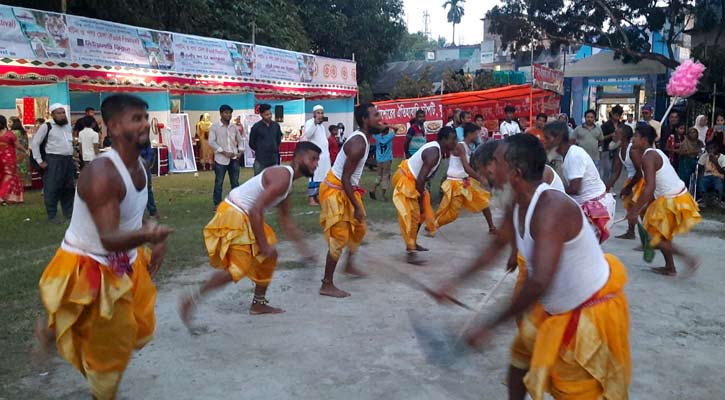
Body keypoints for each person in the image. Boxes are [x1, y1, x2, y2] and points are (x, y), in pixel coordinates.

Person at [434, 133, 631, 400]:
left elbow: (539, 282)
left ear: (515, 173)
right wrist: (454, 283)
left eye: (497, 162)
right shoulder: (518, 203)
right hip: (551, 309)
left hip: (588, 315)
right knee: (519, 362)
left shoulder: (551, 209)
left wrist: (488, 326)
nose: (490, 169)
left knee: (573, 391)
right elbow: (494, 249)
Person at [35, 94, 174, 400]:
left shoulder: (140, 165)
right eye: (135, 118)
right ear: (112, 126)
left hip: (125, 259)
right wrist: (151, 235)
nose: (144, 124)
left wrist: (155, 240)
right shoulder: (101, 173)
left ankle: (52, 323)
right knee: (110, 351)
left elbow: (130, 221)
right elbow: (108, 238)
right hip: (87, 263)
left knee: (137, 329)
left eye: (144, 117)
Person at [179, 142, 320, 323]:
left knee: (270, 255)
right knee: (238, 268)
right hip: (235, 213)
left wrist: (305, 250)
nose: (316, 164)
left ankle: (258, 304)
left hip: (245, 214)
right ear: (299, 158)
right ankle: (192, 299)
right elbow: (255, 210)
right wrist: (263, 245)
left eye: (318, 160)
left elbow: (286, 221)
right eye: (313, 159)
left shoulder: (287, 183)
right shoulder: (283, 177)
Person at [318, 103, 382, 298]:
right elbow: (345, 178)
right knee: (339, 237)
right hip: (335, 191)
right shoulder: (359, 143)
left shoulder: (363, 137)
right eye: (375, 115)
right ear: (364, 119)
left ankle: (349, 265)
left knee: (359, 228)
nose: (380, 117)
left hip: (345, 188)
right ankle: (326, 284)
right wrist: (356, 206)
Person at [628, 124, 701, 276]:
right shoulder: (655, 152)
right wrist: (644, 208)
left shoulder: (648, 157)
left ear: (644, 140)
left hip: (672, 199)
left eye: (636, 136)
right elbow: (655, 187)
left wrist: (634, 211)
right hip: (673, 196)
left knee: (656, 238)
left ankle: (688, 259)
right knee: (661, 236)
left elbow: (649, 187)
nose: (633, 139)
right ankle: (670, 267)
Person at [392, 126, 458, 264]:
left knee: (421, 215)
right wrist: (421, 200)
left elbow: (423, 178)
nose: (455, 142)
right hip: (407, 181)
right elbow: (421, 179)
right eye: (453, 139)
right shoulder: (434, 152)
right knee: (414, 216)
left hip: (414, 181)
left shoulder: (438, 151)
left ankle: (413, 244)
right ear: (444, 139)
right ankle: (410, 252)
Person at [544, 121, 616, 243]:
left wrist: (550, 191)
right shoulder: (569, 154)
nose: (545, 142)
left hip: (594, 210)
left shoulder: (574, 155)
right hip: (590, 207)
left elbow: (574, 189)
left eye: (547, 138)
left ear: (558, 138)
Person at [434, 123, 496, 234]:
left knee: (483, 201)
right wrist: (480, 179)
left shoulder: (468, 146)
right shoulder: (460, 146)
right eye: (476, 133)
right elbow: (467, 168)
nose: (478, 136)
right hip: (456, 182)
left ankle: (492, 228)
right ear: (470, 134)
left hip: (464, 181)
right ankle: (433, 225)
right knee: (452, 213)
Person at [31, 103, 75, 223]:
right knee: (52, 188)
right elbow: (35, 143)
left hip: (68, 160)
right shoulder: (47, 126)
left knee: (69, 188)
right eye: (58, 113)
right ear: (52, 114)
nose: (61, 115)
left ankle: (69, 213)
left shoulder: (67, 126)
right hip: (54, 160)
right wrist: (39, 161)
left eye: (63, 113)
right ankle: (52, 215)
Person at [605, 124, 642, 239]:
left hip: (641, 180)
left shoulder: (633, 150)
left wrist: (628, 187)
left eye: (616, 133)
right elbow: (616, 172)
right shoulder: (620, 151)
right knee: (629, 206)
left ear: (623, 137)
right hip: (632, 179)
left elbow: (640, 172)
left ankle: (648, 238)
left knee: (641, 209)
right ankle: (630, 232)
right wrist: (606, 188)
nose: (613, 135)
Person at [208, 104, 244, 209]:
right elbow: (211, 142)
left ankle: (236, 203)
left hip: (234, 159)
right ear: (221, 114)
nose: (228, 115)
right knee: (219, 182)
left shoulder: (234, 127)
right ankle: (217, 204)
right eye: (226, 113)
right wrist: (223, 152)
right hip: (221, 159)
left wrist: (240, 152)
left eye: (230, 113)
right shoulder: (215, 127)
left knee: (235, 182)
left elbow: (240, 140)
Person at [301, 105, 330, 206]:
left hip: (324, 157)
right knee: (314, 176)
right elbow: (308, 135)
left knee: (323, 177)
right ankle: (311, 199)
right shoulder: (310, 123)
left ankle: (318, 196)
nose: (320, 115)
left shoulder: (321, 126)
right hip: (315, 157)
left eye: (322, 113)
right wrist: (314, 123)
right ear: (314, 114)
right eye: (318, 113)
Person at [0, 116, 27, 204]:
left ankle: (4, 196)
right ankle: (7, 197)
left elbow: (17, 145)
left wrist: (25, 151)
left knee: (9, 176)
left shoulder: (9, 134)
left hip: (8, 159)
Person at [249, 104, 282, 175]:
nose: (269, 116)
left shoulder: (276, 125)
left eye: (270, 114)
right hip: (260, 160)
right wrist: (261, 149)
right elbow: (251, 143)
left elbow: (278, 140)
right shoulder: (256, 127)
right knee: (259, 181)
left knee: (274, 181)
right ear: (261, 115)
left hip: (273, 159)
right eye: (266, 114)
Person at [370, 125, 395, 201]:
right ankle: (383, 196)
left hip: (379, 159)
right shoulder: (389, 136)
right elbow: (396, 129)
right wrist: (388, 125)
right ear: (387, 131)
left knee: (379, 175)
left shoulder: (377, 137)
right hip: (387, 160)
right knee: (386, 176)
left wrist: (379, 127)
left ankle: (373, 188)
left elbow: (372, 130)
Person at [599, 105, 622, 182]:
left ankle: (610, 186)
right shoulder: (605, 125)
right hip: (606, 150)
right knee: (606, 169)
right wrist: (610, 135)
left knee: (615, 169)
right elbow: (601, 138)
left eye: (618, 115)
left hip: (618, 150)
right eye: (615, 115)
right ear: (612, 114)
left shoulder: (621, 125)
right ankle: (605, 186)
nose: (616, 117)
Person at [10, 117, 30, 188]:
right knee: (23, 169)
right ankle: (25, 184)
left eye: (10, 122)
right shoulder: (24, 132)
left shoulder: (12, 133)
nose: (9, 124)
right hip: (24, 153)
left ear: (14, 123)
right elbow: (26, 143)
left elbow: (14, 144)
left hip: (16, 153)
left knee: (16, 170)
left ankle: (16, 185)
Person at [139, 142, 158, 218]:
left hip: (144, 163)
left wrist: (147, 162)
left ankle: (153, 211)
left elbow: (149, 152)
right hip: (132, 163)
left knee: (147, 188)